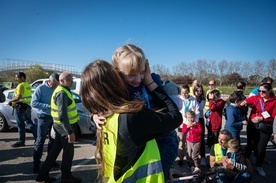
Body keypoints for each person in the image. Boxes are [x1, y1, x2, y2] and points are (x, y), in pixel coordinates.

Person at [81, 60, 182, 182]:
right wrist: (150, 81)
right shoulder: (131, 116)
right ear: (116, 81)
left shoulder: (106, 115)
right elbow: (175, 117)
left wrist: (93, 117)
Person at [36, 72, 81, 183]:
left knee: (55, 151)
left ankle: (42, 174)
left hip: (59, 126)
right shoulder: (62, 93)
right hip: (64, 127)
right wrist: (70, 132)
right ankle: (66, 176)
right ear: (62, 81)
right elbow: (62, 115)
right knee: (68, 152)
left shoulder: (63, 90)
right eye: (69, 80)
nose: (72, 81)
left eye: (72, 79)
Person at [241, 83, 276, 177]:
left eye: (263, 91)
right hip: (252, 125)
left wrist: (262, 118)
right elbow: (248, 100)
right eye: (259, 90)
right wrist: (245, 102)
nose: (261, 93)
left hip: (265, 126)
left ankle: (259, 166)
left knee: (261, 148)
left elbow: (273, 116)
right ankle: (244, 163)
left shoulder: (274, 101)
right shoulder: (257, 98)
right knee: (250, 145)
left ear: (269, 91)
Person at [31, 73, 59, 173]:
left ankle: (50, 161)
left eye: (57, 84)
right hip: (43, 117)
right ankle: (36, 164)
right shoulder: (41, 88)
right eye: (54, 84)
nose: (56, 86)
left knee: (53, 140)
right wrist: (47, 106)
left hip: (54, 118)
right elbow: (33, 103)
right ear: (49, 81)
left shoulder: (57, 88)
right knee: (40, 140)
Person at [8, 72, 37, 147]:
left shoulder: (20, 86)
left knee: (20, 125)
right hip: (27, 106)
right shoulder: (28, 85)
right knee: (29, 122)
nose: (16, 79)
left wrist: (11, 101)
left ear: (22, 77)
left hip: (20, 107)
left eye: (17, 77)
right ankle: (38, 138)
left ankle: (21, 141)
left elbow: (18, 97)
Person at [178, 84, 199, 167]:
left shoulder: (193, 100)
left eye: (186, 93)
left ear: (189, 92)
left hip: (192, 124)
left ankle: (189, 159)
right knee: (181, 142)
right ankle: (181, 158)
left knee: (190, 143)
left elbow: (197, 112)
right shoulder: (179, 99)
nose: (184, 94)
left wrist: (194, 122)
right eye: (182, 93)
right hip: (182, 124)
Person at [193, 83, 207, 166]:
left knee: (201, 139)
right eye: (197, 91)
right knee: (193, 139)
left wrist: (194, 100)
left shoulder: (202, 99)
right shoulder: (192, 98)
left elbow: (199, 108)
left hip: (200, 120)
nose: (199, 92)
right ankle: (194, 157)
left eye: (200, 91)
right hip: (193, 120)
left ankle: (203, 157)